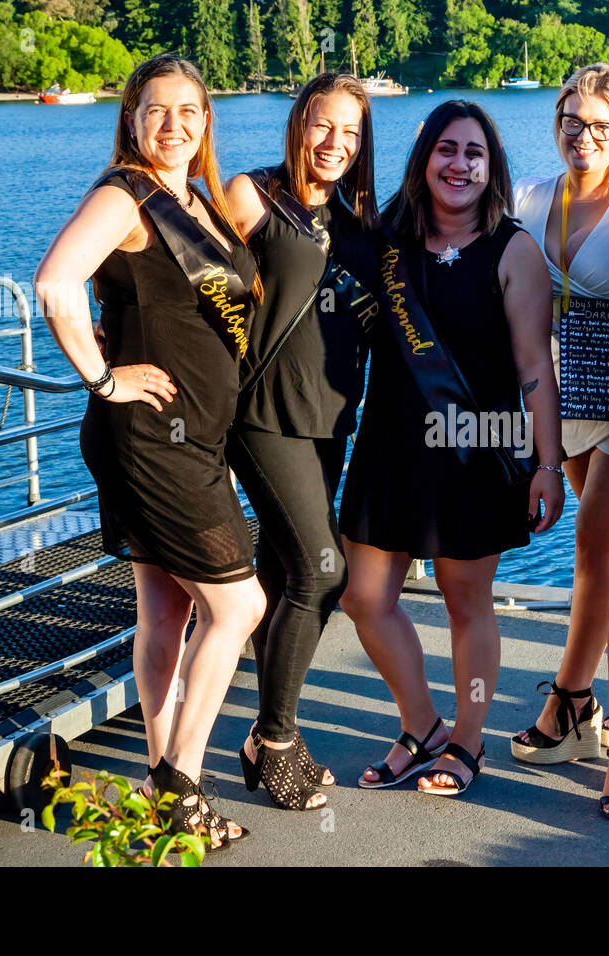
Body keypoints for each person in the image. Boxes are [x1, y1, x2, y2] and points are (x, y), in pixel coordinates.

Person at [35, 54, 264, 850]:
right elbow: (57, 282)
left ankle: (161, 786)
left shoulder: (194, 198)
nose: (174, 125)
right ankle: (180, 788)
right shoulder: (124, 193)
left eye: (190, 112)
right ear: (131, 120)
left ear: (207, 123)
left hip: (193, 437)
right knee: (240, 605)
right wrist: (101, 376)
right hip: (147, 440)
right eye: (156, 111)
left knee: (166, 609)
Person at [339, 100, 564, 797]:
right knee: (364, 596)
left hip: (477, 447)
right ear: (424, 158)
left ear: (491, 167)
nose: (459, 164)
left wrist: (549, 467)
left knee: (465, 598)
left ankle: (467, 743)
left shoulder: (514, 249)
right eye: (446, 149)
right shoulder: (386, 241)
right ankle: (422, 726)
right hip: (390, 443)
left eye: (474, 152)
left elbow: (535, 366)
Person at [224, 73, 380, 812]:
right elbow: (172, 270)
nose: (335, 144)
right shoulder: (251, 196)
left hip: (329, 422)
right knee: (323, 573)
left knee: (283, 571)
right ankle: (275, 739)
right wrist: (113, 330)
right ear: (299, 122)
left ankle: (266, 731)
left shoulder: (357, 218)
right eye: (324, 126)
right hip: (260, 416)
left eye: (350, 133)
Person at [510, 63, 609, 768]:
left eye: (602, 126)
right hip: (560, 390)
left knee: (592, 542)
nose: (585, 136)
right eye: (572, 122)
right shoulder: (528, 196)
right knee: (600, 547)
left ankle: (573, 702)